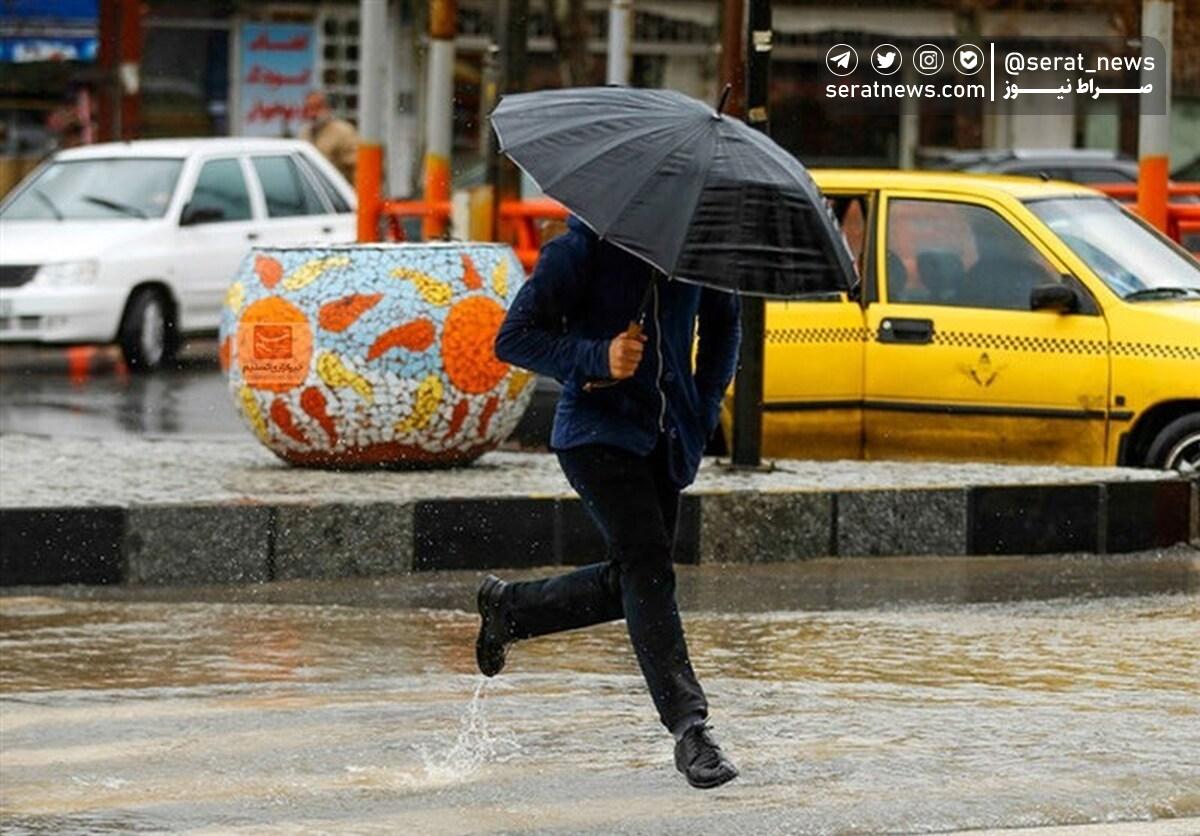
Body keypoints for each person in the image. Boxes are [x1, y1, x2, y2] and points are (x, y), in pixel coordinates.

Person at [480, 215, 742, 789]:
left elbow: (724, 327)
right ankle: (689, 730)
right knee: (648, 567)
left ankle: (512, 611)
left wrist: (700, 412)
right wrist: (600, 357)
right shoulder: (581, 248)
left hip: (666, 440)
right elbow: (515, 336)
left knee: (636, 578)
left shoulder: (698, 245)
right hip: (596, 436)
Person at [298, 91, 359, 184]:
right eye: (308, 108)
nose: (312, 114)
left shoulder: (343, 132)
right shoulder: (304, 133)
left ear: (327, 108)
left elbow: (356, 167)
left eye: (317, 108)